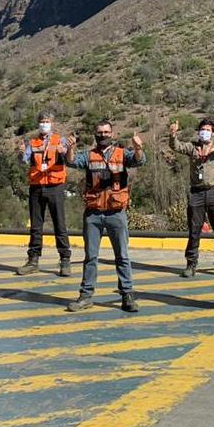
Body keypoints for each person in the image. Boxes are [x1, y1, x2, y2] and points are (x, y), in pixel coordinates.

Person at [64, 120, 146, 312]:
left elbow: (139, 161)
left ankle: (127, 295)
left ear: (112, 133)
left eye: (106, 132)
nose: (103, 135)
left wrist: (138, 148)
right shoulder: (89, 155)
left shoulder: (122, 154)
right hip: (93, 213)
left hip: (116, 212)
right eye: (99, 132)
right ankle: (86, 296)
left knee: (122, 255)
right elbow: (71, 162)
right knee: (90, 256)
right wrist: (70, 149)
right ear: (95, 134)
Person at [169, 117, 214, 278]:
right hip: (196, 193)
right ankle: (191, 264)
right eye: (202, 129)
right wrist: (172, 134)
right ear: (198, 132)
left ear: (212, 133)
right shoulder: (192, 147)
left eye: (208, 130)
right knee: (194, 231)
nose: (205, 132)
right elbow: (176, 146)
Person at [16, 111, 72, 277]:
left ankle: (65, 260)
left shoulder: (60, 141)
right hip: (37, 187)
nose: (44, 124)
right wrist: (20, 153)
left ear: (52, 123)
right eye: (42, 121)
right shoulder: (32, 143)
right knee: (35, 226)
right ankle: (33, 260)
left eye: (47, 121)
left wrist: (66, 150)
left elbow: (69, 158)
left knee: (59, 224)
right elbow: (24, 161)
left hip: (55, 186)